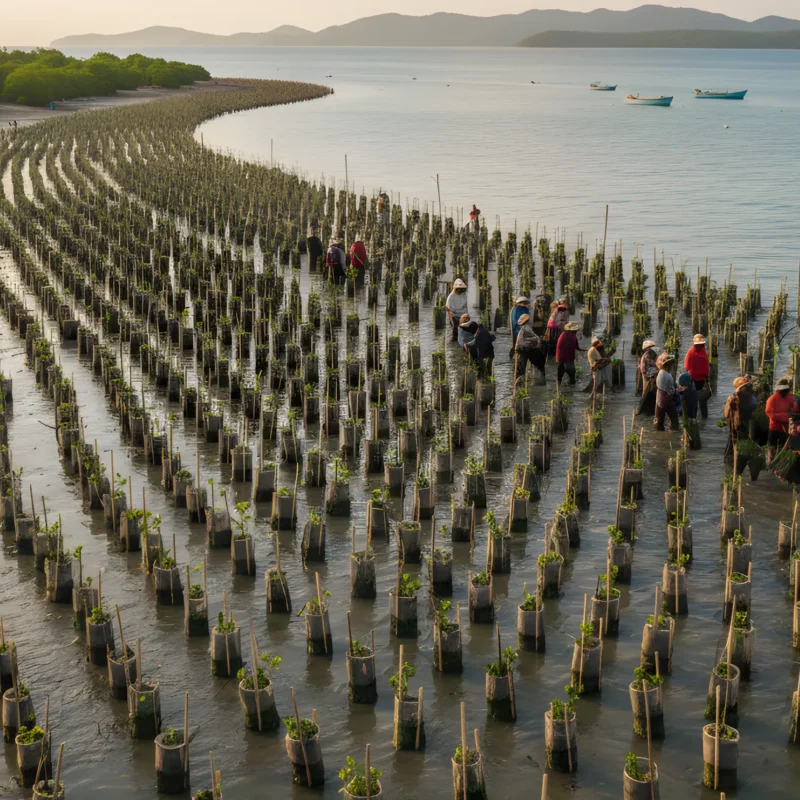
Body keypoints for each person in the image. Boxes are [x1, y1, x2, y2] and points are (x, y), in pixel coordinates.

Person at [765, 376, 798, 461]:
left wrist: (793, 413)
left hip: (785, 427)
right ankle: (770, 462)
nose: (788, 392)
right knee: (772, 447)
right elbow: (771, 414)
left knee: (784, 445)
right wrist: (787, 416)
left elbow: (793, 407)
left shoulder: (789, 397)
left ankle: (781, 460)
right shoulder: (772, 399)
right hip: (775, 427)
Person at [724, 375, 758, 448]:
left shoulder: (734, 398)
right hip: (748, 418)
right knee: (745, 435)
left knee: (736, 438)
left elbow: (727, 414)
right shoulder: (750, 394)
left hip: (738, 420)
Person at [684, 333, 711, 418]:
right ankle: (699, 417)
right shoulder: (695, 351)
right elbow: (687, 366)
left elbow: (686, 366)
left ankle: (698, 417)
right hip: (697, 379)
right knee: (699, 400)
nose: (701, 345)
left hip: (698, 379)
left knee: (697, 399)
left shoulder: (696, 351)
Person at [515, 313, 546, 379]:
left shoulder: (523, 328)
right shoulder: (527, 328)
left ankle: (521, 376)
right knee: (538, 357)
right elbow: (533, 337)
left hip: (522, 348)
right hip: (525, 348)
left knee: (522, 364)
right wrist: (538, 339)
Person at [655, 353, 680, 431]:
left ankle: (660, 436)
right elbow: (670, 390)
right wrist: (676, 391)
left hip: (659, 399)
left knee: (660, 421)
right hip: (666, 399)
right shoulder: (666, 375)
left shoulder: (661, 373)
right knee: (674, 419)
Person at [637, 340, 660, 417]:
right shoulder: (647, 355)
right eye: (649, 347)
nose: (650, 348)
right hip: (648, 375)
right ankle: (643, 408)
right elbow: (652, 363)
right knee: (646, 390)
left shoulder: (650, 354)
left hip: (650, 373)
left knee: (648, 390)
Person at [555, 321, 582, 386]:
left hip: (560, 357)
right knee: (572, 373)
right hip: (568, 358)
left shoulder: (563, 334)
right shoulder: (572, 336)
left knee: (559, 374)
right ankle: (571, 388)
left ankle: (558, 387)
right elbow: (576, 347)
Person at [446, 278, 469, 342]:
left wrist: (465, 315)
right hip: (454, 316)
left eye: (461, 289)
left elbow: (465, 306)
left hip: (462, 315)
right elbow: (449, 308)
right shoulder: (451, 297)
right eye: (458, 289)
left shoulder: (464, 296)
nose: (459, 290)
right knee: (455, 330)